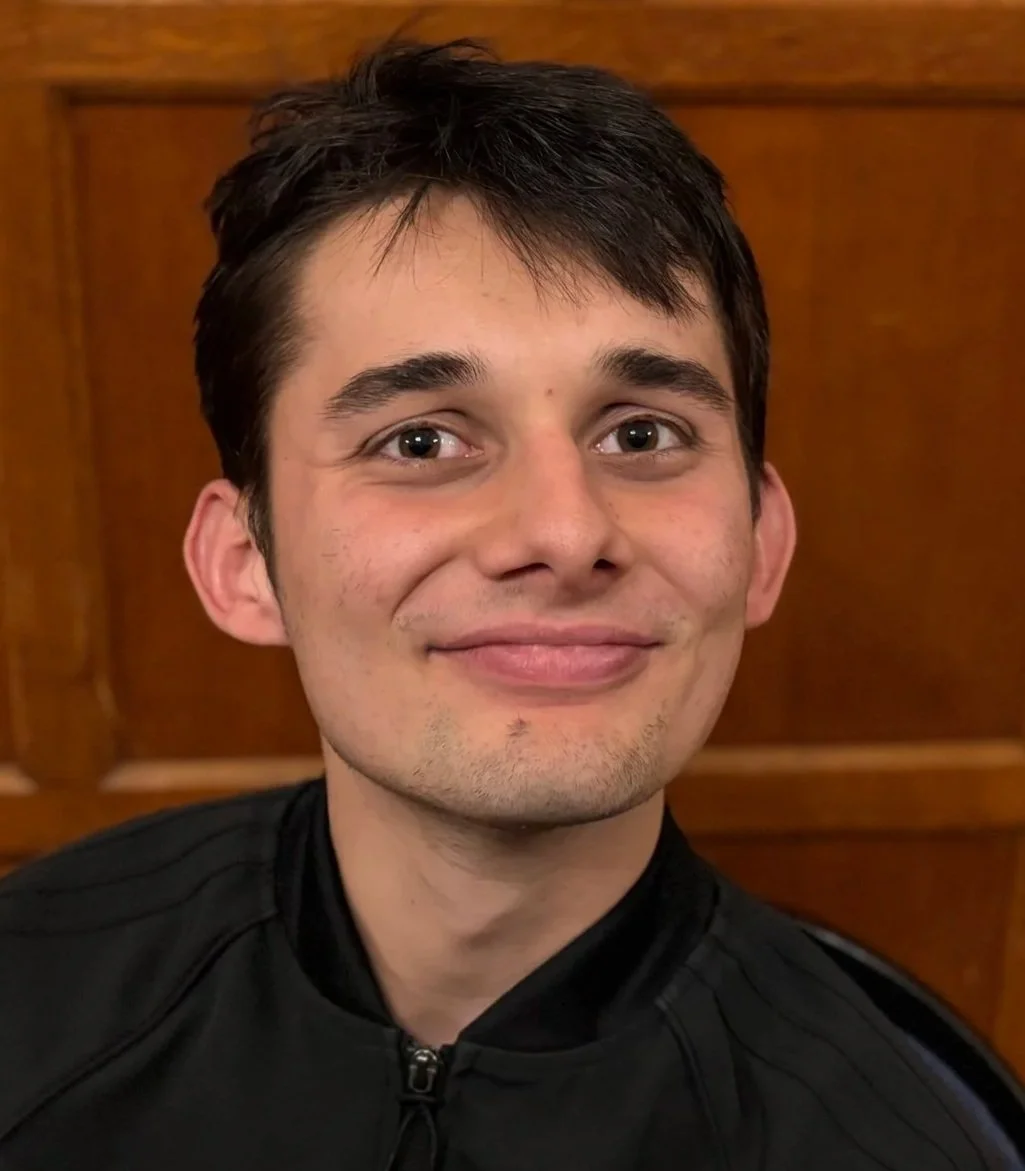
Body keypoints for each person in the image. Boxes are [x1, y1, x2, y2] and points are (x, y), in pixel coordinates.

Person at [0, 38, 1007, 1171]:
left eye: (641, 434)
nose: (565, 534)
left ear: (761, 543)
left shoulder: (899, 1145)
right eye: (420, 439)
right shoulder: (25, 1003)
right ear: (243, 559)